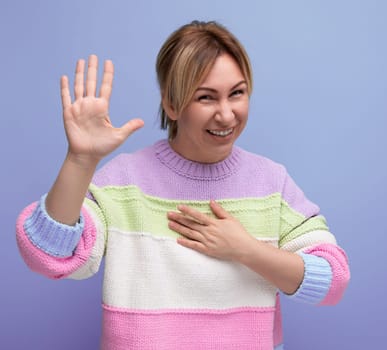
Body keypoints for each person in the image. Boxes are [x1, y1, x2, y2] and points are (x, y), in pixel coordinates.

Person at [16, 20, 350, 350]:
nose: (226, 114)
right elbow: (48, 255)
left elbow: (332, 281)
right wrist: (80, 160)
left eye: (237, 93)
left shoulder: (271, 182)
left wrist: (245, 249)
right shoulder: (123, 182)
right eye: (206, 98)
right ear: (172, 105)